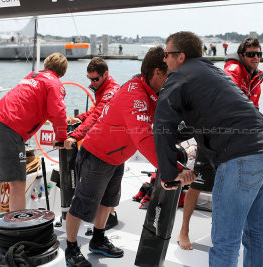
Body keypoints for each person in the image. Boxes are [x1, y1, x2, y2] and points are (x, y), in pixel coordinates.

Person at [154, 31, 263, 266]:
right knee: (257, 229)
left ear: (180, 57)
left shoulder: (179, 76)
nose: (164, 59)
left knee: (226, 239)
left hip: (241, 158)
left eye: (166, 54)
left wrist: (170, 174)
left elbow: (162, 126)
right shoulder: (214, 72)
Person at [64, 46, 194, 267]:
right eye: (169, 75)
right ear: (157, 72)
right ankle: (72, 248)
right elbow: (143, 139)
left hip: (116, 156)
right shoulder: (136, 95)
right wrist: (173, 171)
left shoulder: (150, 91)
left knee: (108, 202)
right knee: (81, 206)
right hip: (97, 154)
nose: (171, 80)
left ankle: (97, 239)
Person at [0, 52, 68, 220]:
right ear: (62, 72)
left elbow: (31, 103)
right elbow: (58, 112)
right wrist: (62, 138)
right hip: (9, 130)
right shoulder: (55, 83)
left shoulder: (31, 77)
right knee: (17, 184)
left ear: (46, 65)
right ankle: (16, 229)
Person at [66, 57, 121, 230]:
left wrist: (75, 136)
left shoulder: (110, 90)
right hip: (114, 146)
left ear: (106, 74)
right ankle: (107, 218)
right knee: (108, 191)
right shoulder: (104, 87)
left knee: (98, 189)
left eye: (95, 79)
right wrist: (79, 118)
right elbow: (96, 110)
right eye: (89, 79)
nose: (92, 82)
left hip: (108, 147)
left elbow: (98, 114)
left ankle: (105, 219)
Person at [224, 37, 263, 107]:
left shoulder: (256, 79)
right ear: (241, 56)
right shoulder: (233, 71)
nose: (256, 57)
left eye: (259, 54)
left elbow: (255, 108)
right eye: (251, 54)